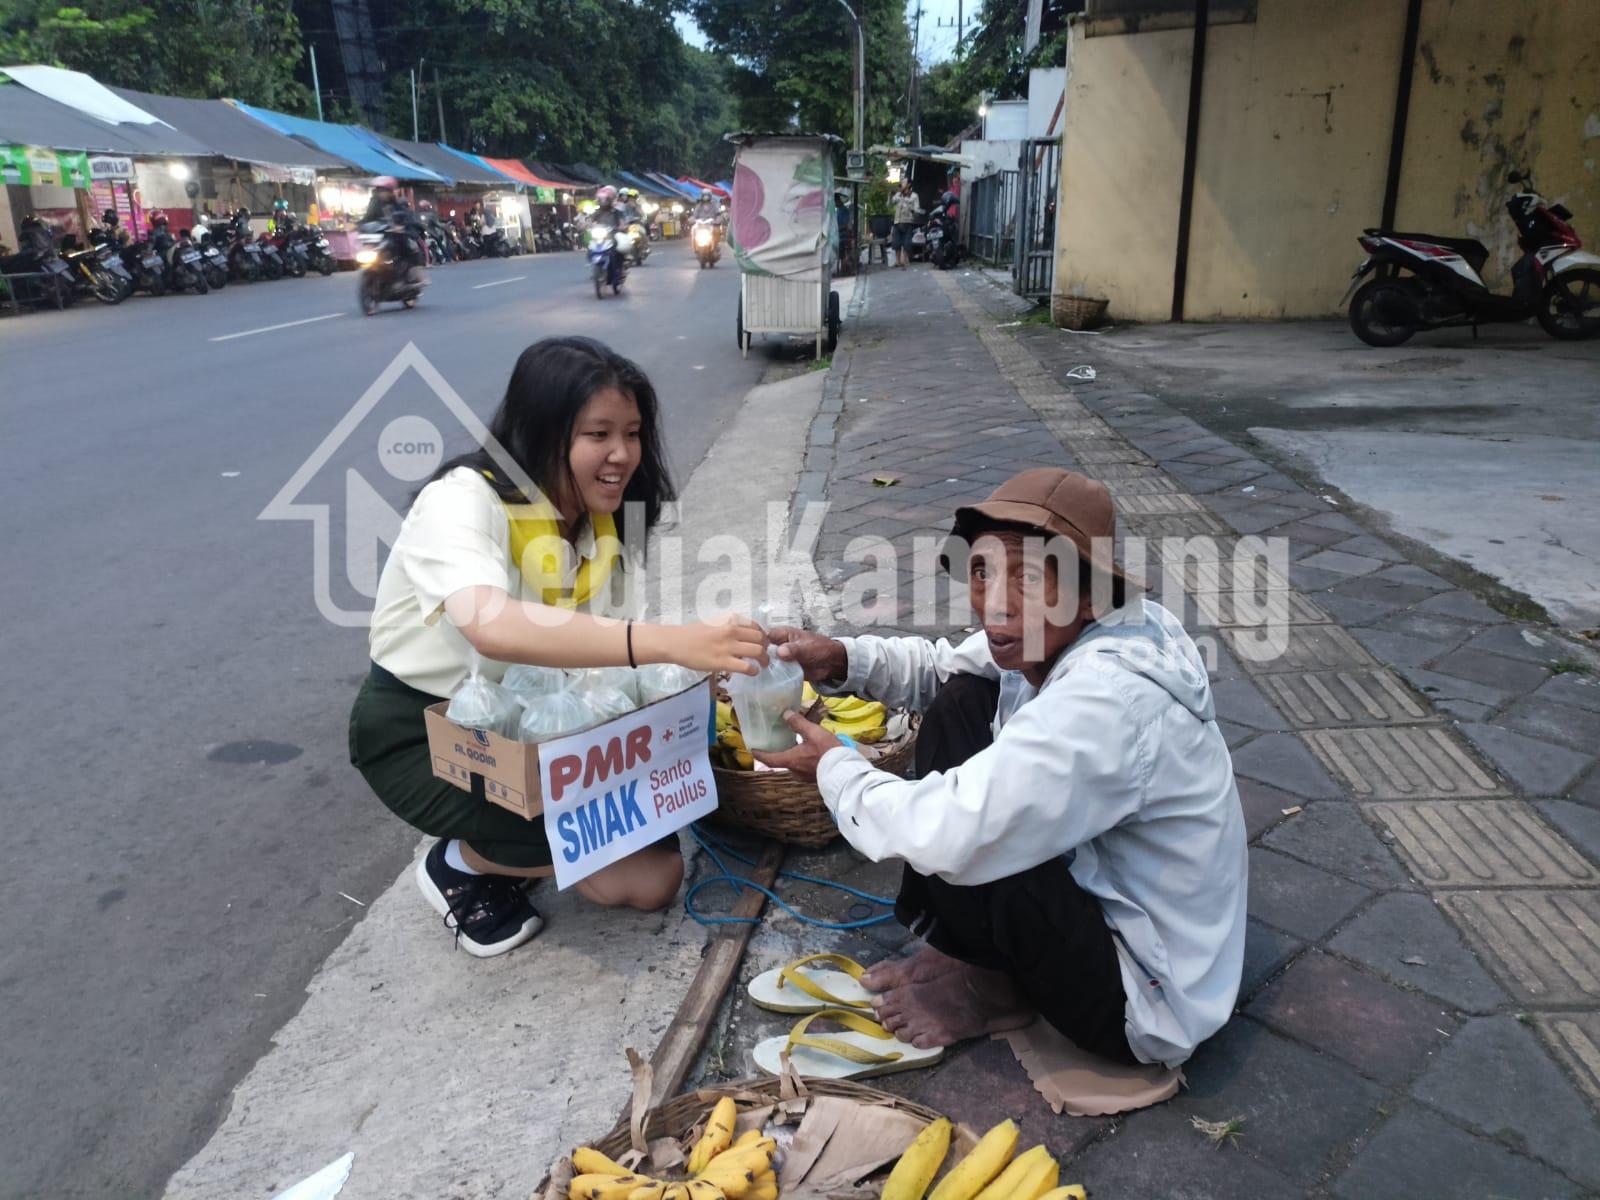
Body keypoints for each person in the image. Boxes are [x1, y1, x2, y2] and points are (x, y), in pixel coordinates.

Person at [757, 468, 1247, 1069]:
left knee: (981, 834)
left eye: (1030, 576)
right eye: (984, 571)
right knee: (961, 700)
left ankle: (989, 992)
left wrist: (835, 770)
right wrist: (838, 658)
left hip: (1138, 998)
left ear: (1091, 593)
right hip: (1095, 893)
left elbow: (950, 829)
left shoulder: (1108, 698)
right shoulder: (1065, 631)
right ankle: (974, 956)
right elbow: (943, 669)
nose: (994, 601)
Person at [350, 337, 767, 958]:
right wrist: (671, 644)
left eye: (632, 433)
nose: (622, 455)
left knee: (656, 879)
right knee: (578, 840)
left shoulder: (603, 525)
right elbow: (490, 623)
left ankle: (517, 843)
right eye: (598, 434)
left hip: (546, 729)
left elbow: (597, 657)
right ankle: (461, 860)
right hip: (430, 729)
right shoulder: (464, 500)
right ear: (542, 432)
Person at [891, 178, 919, 268]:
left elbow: (917, 209)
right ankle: (898, 261)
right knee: (896, 242)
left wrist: (907, 202)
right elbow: (891, 203)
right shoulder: (899, 194)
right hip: (897, 221)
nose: (901, 184)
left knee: (907, 243)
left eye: (903, 183)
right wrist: (890, 196)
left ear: (908, 185)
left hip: (907, 221)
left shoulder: (914, 196)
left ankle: (905, 260)